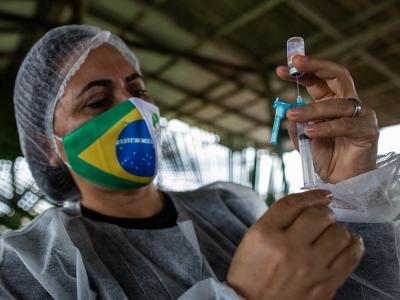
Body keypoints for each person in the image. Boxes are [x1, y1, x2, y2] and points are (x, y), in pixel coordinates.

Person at [0, 24, 399, 299]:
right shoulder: (30, 269)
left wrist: (350, 187)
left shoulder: (231, 206)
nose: (135, 110)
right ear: (49, 146)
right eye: (98, 101)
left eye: (138, 90)